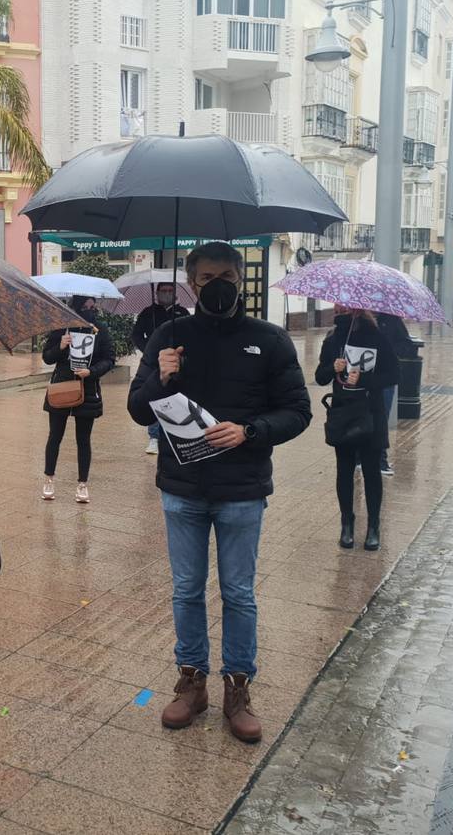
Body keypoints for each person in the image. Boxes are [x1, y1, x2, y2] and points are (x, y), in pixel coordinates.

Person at [127, 242, 311, 744]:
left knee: (238, 593)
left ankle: (237, 686)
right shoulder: (168, 335)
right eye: (206, 278)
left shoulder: (269, 340)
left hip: (242, 490)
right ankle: (191, 682)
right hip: (182, 489)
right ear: (193, 283)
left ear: (242, 278)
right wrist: (160, 376)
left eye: (226, 275)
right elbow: (139, 412)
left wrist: (250, 431)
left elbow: (297, 411)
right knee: (186, 589)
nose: (218, 285)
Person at [316, 308, 401, 552]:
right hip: (343, 414)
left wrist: (362, 380)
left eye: (345, 305)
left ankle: (374, 526)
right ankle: (347, 523)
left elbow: (393, 374)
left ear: (358, 308)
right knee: (343, 470)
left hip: (370, 414)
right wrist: (333, 367)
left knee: (372, 470)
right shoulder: (333, 339)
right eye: (337, 303)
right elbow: (320, 377)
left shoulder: (376, 336)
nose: (340, 307)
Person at [41, 296, 116, 504]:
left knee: (83, 439)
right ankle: (49, 479)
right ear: (75, 307)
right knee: (55, 436)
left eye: (93, 306)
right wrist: (61, 347)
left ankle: (82, 484)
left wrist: (91, 372)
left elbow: (109, 359)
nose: (89, 310)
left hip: (88, 390)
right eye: (84, 306)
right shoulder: (61, 327)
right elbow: (47, 357)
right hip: (61, 387)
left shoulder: (99, 329)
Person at [132, 281, 190, 455]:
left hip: (178, 362)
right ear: (156, 293)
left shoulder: (182, 313)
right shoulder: (148, 313)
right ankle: (154, 437)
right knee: (156, 396)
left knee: (176, 396)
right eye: (163, 291)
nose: (166, 293)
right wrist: (147, 349)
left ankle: (177, 433)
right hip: (154, 364)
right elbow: (136, 334)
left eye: (169, 291)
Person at [375, 312, 414, 476]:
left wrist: (389, 351)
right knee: (361, 417)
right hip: (361, 379)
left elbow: (406, 346)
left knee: (381, 418)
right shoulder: (357, 319)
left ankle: (380, 460)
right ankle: (358, 458)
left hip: (385, 379)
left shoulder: (391, 319)